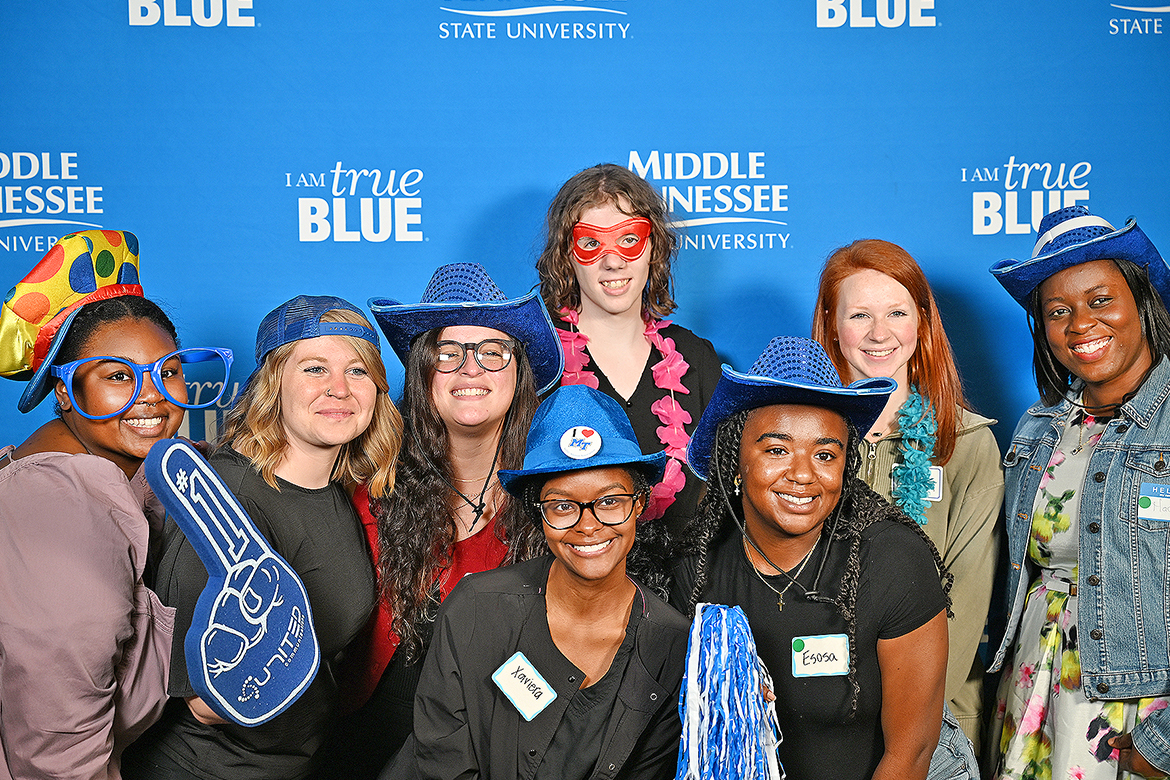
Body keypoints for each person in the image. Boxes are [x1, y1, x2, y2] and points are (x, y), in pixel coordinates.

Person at [123, 295, 402, 780]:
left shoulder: (337, 491)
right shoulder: (226, 499)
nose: (339, 388)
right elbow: (203, 701)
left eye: (357, 371)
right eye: (315, 369)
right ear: (274, 384)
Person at [310, 264, 563, 779]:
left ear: (519, 374)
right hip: (365, 745)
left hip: (495, 748)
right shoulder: (368, 481)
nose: (471, 369)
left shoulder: (554, 500)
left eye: (493, 352)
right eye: (449, 354)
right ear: (423, 372)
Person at [0, 231, 232, 779]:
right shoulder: (56, 510)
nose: (151, 395)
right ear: (63, 392)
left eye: (167, 370)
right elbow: (58, 749)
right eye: (118, 376)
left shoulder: (125, 464)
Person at [672, 336, 954, 780]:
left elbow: (911, 752)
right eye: (777, 449)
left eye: (825, 454)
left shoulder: (892, 563)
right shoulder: (698, 566)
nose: (803, 474)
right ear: (735, 459)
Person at [387, 383, 690, 780]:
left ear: (639, 503)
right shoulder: (476, 608)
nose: (588, 525)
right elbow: (442, 759)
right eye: (563, 506)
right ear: (537, 514)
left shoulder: (671, 643)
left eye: (610, 502)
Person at [987, 205, 1170, 779]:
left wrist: (1163, 744)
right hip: (1031, 690)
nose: (1080, 325)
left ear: (1141, 301)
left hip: (1136, 713)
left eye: (1099, 301)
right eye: (1058, 311)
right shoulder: (1038, 427)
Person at [811, 239, 1003, 750]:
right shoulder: (798, 443)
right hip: (815, 703)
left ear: (921, 320)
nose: (879, 334)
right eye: (859, 315)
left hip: (935, 713)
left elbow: (967, 591)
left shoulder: (965, 443)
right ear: (831, 322)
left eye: (896, 312)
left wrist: (911, 700)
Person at [537, 162, 721, 536]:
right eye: (591, 244)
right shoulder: (538, 358)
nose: (613, 260)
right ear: (566, 255)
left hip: (681, 589)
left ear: (653, 246)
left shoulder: (697, 359)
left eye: (628, 239)